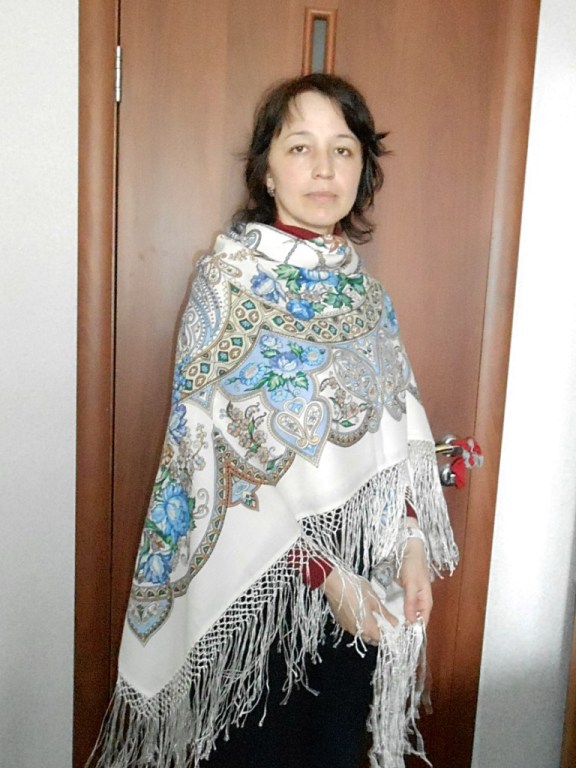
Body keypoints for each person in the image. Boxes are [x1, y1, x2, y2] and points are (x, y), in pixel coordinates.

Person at [92, 73, 458, 768]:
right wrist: (327, 578)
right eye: (300, 147)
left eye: (343, 149)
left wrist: (412, 543)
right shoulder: (225, 286)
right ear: (267, 169)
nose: (323, 168)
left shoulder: (369, 300)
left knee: (335, 752)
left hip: (361, 595)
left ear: (363, 170)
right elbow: (216, 468)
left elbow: (394, 439)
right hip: (260, 594)